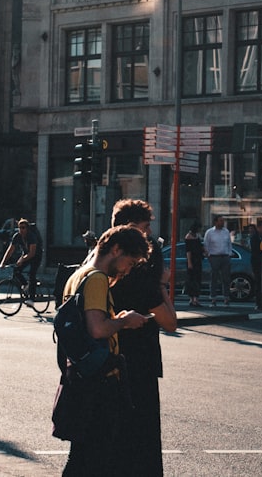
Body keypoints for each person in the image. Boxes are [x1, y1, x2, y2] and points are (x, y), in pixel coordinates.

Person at [60, 224, 151, 477]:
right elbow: (98, 329)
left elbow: (88, 323)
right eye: (130, 263)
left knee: (81, 457)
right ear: (116, 249)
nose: (128, 270)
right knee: (95, 459)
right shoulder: (98, 279)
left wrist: (115, 318)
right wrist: (125, 321)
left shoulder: (79, 275)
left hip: (79, 374)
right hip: (99, 381)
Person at [107, 199, 177, 476]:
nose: (149, 236)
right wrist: (161, 283)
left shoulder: (100, 263)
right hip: (140, 359)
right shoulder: (141, 270)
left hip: (109, 359)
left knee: (114, 439)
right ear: (133, 229)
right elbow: (170, 322)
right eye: (146, 228)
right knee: (143, 438)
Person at [0, 218, 41, 301]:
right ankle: (26, 286)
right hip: (26, 254)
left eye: (23, 228)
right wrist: (3, 262)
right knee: (16, 270)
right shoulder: (17, 236)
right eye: (20, 228)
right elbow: (10, 250)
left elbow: (32, 253)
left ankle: (31, 299)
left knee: (31, 274)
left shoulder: (31, 236)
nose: (21, 230)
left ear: (27, 228)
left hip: (36, 256)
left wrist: (22, 260)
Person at [203, 215, 232, 307]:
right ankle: (213, 299)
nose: (222, 223)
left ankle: (226, 298)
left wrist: (229, 254)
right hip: (214, 257)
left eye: (223, 221)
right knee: (214, 278)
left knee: (226, 278)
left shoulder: (226, 231)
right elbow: (206, 244)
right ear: (215, 222)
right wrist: (208, 255)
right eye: (220, 221)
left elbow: (229, 244)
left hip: (225, 256)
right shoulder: (210, 232)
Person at [184, 222, 204, 307]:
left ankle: (195, 298)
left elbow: (200, 246)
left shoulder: (197, 236)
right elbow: (188, 251)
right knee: (192, 279)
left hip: (198, 259)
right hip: (192, 260)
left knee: (197, 279)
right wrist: (189, 262)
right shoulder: (188, 237)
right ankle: (192, 298)